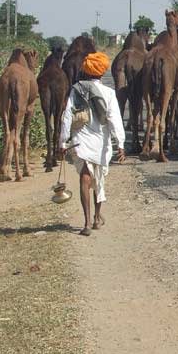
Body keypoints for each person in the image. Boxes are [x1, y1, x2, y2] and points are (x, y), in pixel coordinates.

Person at [59, 52, 126, 236]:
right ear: (102, 71)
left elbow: (67, 116)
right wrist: (120, 143)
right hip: (101, 143)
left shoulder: (76, 89)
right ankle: (97, 218)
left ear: (86, 70)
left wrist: (63, 141)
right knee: (99, 180)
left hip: (81, 141)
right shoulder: (109, 93)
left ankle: (87, 222)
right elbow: (115, 119)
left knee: (85, 178)